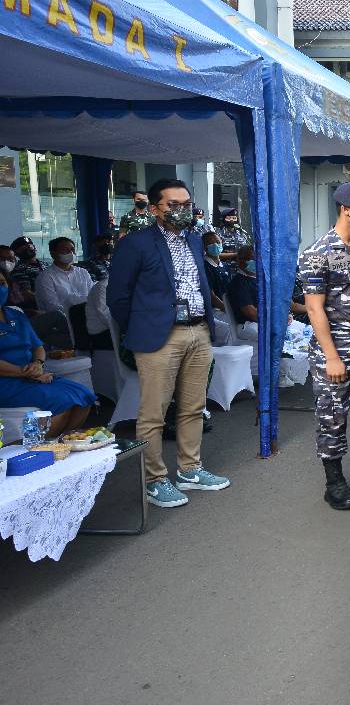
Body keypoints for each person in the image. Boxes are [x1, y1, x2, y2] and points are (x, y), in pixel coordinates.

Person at [107, 178, 230, 509]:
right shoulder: (136, 243)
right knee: (153, 413)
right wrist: (142, 327)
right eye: (173, 205)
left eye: (186, 203)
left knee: (193, 407)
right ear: (155, 208)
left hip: (198, 332)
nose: (182, 210)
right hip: (160, 336)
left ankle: (190, 470)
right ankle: (155, 479)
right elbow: (117, 297)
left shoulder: (193, 240)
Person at [298, 181, 350, 511]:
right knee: (333, 417)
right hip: (336, 352)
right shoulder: (318, 252)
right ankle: (335, 483)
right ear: (348, 210)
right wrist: (331, 357)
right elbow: (314, 308)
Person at [0, 267, 94, 437]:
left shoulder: (15, 315)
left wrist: (38, 363)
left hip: (31, 375)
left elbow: (38, 346)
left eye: (2, 283)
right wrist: (26, 373)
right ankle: (42, 449)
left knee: (85, 395)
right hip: (7, 382)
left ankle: (63, 443)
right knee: (61, 403)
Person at [35, 237, 93, 315]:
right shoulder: (45, 277)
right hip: (62, 320)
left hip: (89, 315)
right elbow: (51, 306)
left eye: (72, 249)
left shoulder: (83, 272)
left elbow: (93, 295)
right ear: (53, 254)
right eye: (65, 250)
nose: (71, 253)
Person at [201, 231, 235, 345]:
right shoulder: (205, 267)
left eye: (217, 242)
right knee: (230, 329)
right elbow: (212, 297)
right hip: (216, 310)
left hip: (227, 307)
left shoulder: (224, 266)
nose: (215, 245)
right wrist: (229, 309)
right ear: (204, 247)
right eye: (210, 244)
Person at [9, 236, 45, 310]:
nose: (28, 248)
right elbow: (27, 294)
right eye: (23, 248)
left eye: (30, 246)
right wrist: (48, 299)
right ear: (16, 253)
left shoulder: (45, 264)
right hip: (39, 307)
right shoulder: (19, 270)